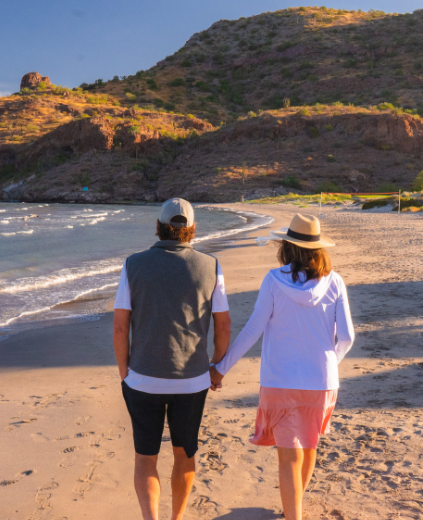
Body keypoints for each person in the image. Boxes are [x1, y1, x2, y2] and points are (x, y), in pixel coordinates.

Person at [210, 214, 355, 520]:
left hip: (281, 382)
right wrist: (330, 363)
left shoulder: (274, 280)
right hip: (323, 382)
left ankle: (293, 514)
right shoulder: (336, 281)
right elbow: (347, 337)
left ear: (287, 247)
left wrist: (221, 368)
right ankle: (295, 509)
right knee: (309, 446)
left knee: (288, 455)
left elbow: (252, 330)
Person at [113, 198, 232, 520]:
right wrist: (217, 368)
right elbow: (223, 325)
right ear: (191, 229)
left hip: (142, 378)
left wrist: (125, 370)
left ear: (159, 226)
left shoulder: (133, 264)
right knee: (184, 454)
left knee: (145, 458)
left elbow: (121, 326)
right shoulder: (211, 265)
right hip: (192, 380)